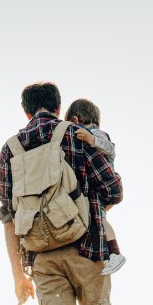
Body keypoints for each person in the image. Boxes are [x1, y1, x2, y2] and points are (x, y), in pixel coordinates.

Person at [0, 82, 124, 305]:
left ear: (26, 111)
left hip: (42, 257)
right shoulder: (75, 135)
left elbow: (8, 216)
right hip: (89, 249)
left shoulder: (10, 149)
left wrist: (17, 275)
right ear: (59, 107)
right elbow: (114, 189)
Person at [64, 98, 125, 276]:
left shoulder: (98, 133)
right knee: (98, 219)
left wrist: (92, 139)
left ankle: (115, 253)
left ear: (75, 120)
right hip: (96, 186)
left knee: (101, 220)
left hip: (101, 186)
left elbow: (110, 148)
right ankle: (110, 252)